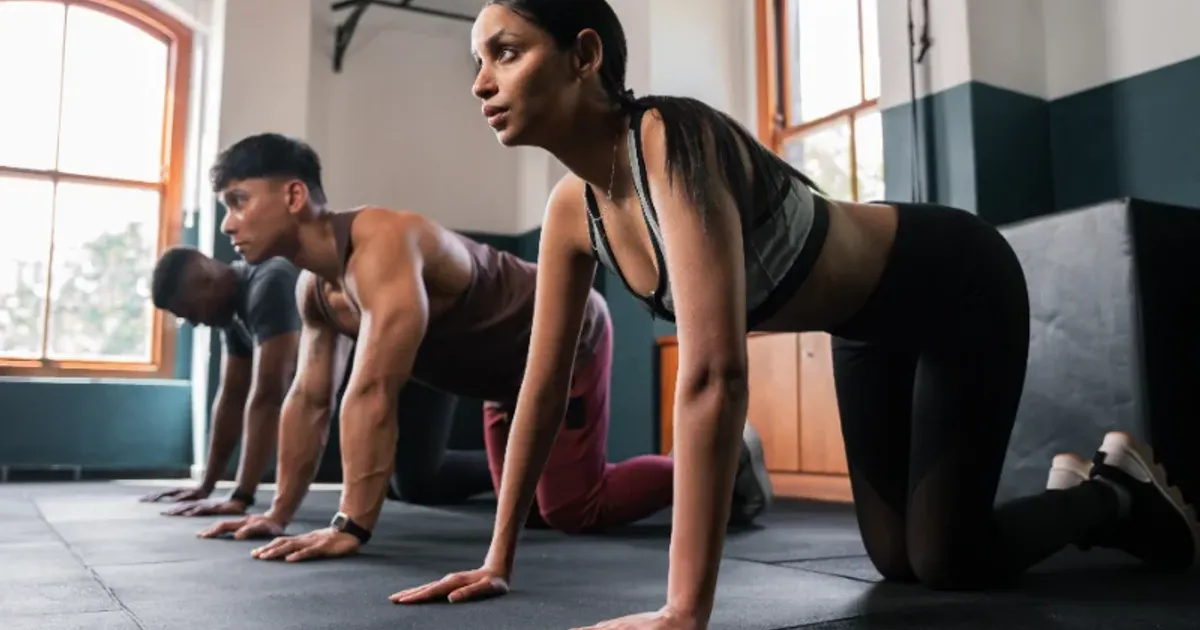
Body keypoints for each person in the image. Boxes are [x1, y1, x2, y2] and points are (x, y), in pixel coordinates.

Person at [391, 1, 1200, 628]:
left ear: (584, 56)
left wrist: (685, 609)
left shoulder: (670, 139)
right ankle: (1081, 490)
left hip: (956, 281)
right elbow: (538, 389)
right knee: (897, 561)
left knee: (949, 560)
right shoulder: (572, 211)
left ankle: (1112, 494)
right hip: (865, 328)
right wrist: (498, 558)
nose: (481, 82)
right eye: (477, 61)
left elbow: (714, 374)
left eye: (506, 52)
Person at [194, 132, 774, 562]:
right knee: (524, 508)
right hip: (501, 380)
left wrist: (351, 526)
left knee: (573, 509)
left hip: (567, 336)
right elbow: (309, 400)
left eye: (238, 201)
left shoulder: (382, 243)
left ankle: (726, 459)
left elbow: (372, 391)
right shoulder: (315, 292)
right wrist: (277, 514)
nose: (227, 224)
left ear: (294, 195)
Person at [142, 248, 301, 517]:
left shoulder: (269, 283)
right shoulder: (232, 310)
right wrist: (206, 486)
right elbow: (232, 397)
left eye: (192, 311)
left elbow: (269, 395)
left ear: (208, 281)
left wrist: (240, 497)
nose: (194, 323)